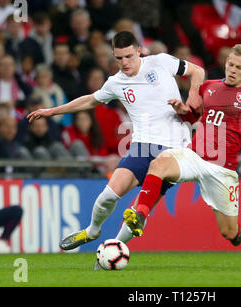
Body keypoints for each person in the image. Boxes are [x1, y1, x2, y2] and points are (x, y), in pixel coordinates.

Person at [26, 31, 205, 250]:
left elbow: (198, 71)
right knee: (108, 196)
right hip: (142, 147)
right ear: (113, 55)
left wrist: (194, 96)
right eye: (119, 58)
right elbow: (90, 101)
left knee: (139, 212)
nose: (124, 62)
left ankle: (114, 248)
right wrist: (52, 111)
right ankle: (92, 231)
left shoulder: (161, 62)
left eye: (129, 56)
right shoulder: (115, 82)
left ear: (139, 51)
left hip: (174, 151)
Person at [120, 44, 241, 246]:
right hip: (195, 156)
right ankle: (139, 214)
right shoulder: (208, 87)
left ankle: (235, 234)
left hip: (222, 168)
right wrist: (181, 110)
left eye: (239, 68)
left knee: (228, 232)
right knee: (159, 163)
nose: (233, 70)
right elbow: (193, 115)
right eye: (230, 64)